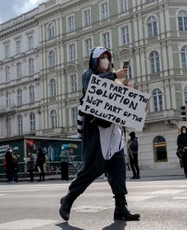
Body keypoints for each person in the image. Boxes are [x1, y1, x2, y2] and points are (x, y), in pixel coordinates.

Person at [59, 46, 140, 222]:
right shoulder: (88, 74)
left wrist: (129, 89)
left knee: (118, 168)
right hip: (95, 129)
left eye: (107, 57)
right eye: (101, 57)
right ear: (95, 60)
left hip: (112, 130)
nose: (105, 60)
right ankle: (68, 199)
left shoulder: (114, 79)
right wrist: (115, 76)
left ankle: (120, 207)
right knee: (92, 168)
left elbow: (124, 104)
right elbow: (93, 86)